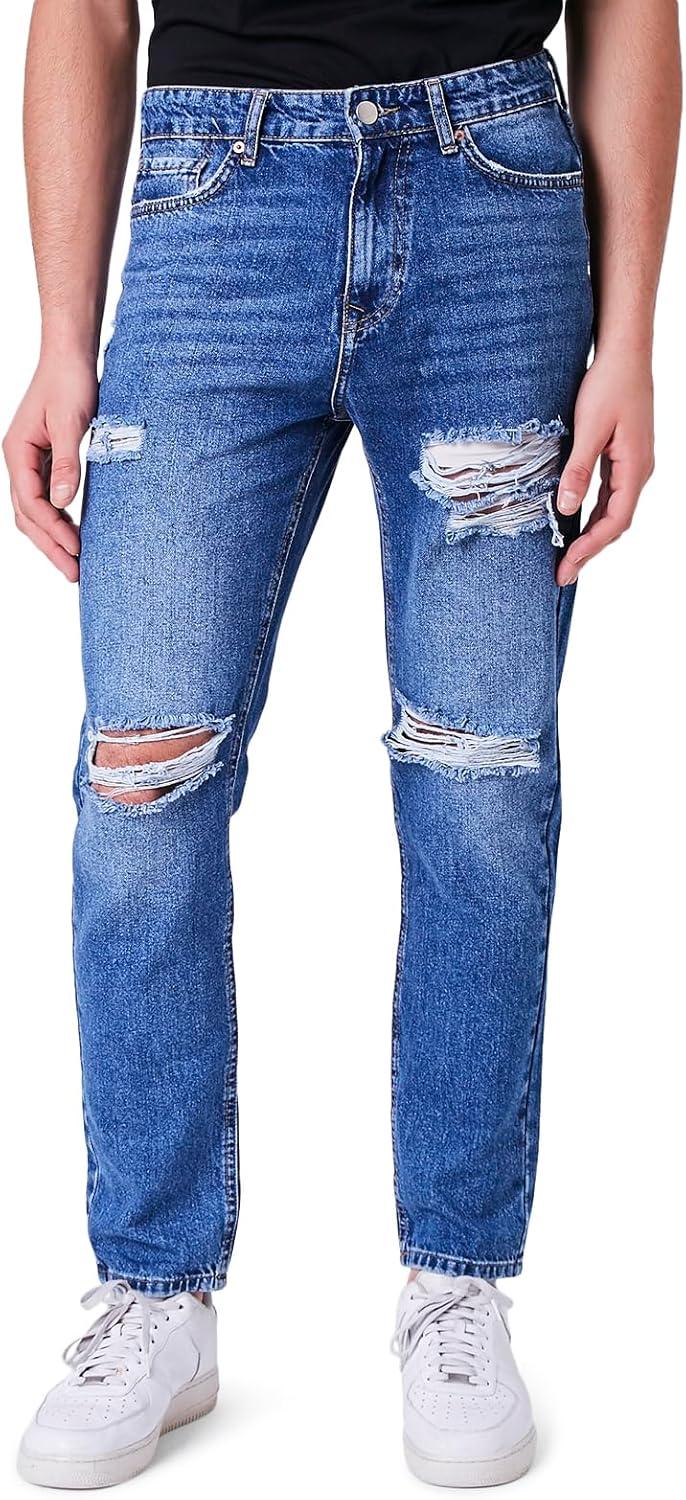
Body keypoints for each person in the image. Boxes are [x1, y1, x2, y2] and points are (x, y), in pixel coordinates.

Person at [4, 0, 680, 1489]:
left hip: (493, 201)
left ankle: (457, 1282)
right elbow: (84, 11)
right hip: (211, 208)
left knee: (480, 776)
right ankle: (156, 1293)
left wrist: (630, 337)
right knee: (141, 778)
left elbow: (631, 6)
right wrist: (59, 335)